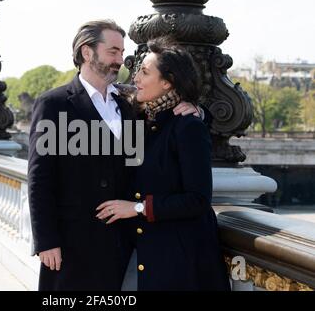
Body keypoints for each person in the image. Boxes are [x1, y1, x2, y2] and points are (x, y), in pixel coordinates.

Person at [28, 20, 200, 291]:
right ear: (87, 52)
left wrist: (198, 110)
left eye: (122, 52)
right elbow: (40, 178)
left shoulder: (129, 103)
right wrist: (46, 241)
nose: (121, 59)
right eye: (113, 51)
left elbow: (172, 118)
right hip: (73, 244)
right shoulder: (55, 103)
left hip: (122, 243)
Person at [96, 38, 231, 291]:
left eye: (144, 72)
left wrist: (137, 208)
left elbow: (198, 200)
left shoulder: (187, 126)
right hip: (144, 257)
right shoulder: (141, 120)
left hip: (180, 265)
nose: (136, 77)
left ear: (167, 82)